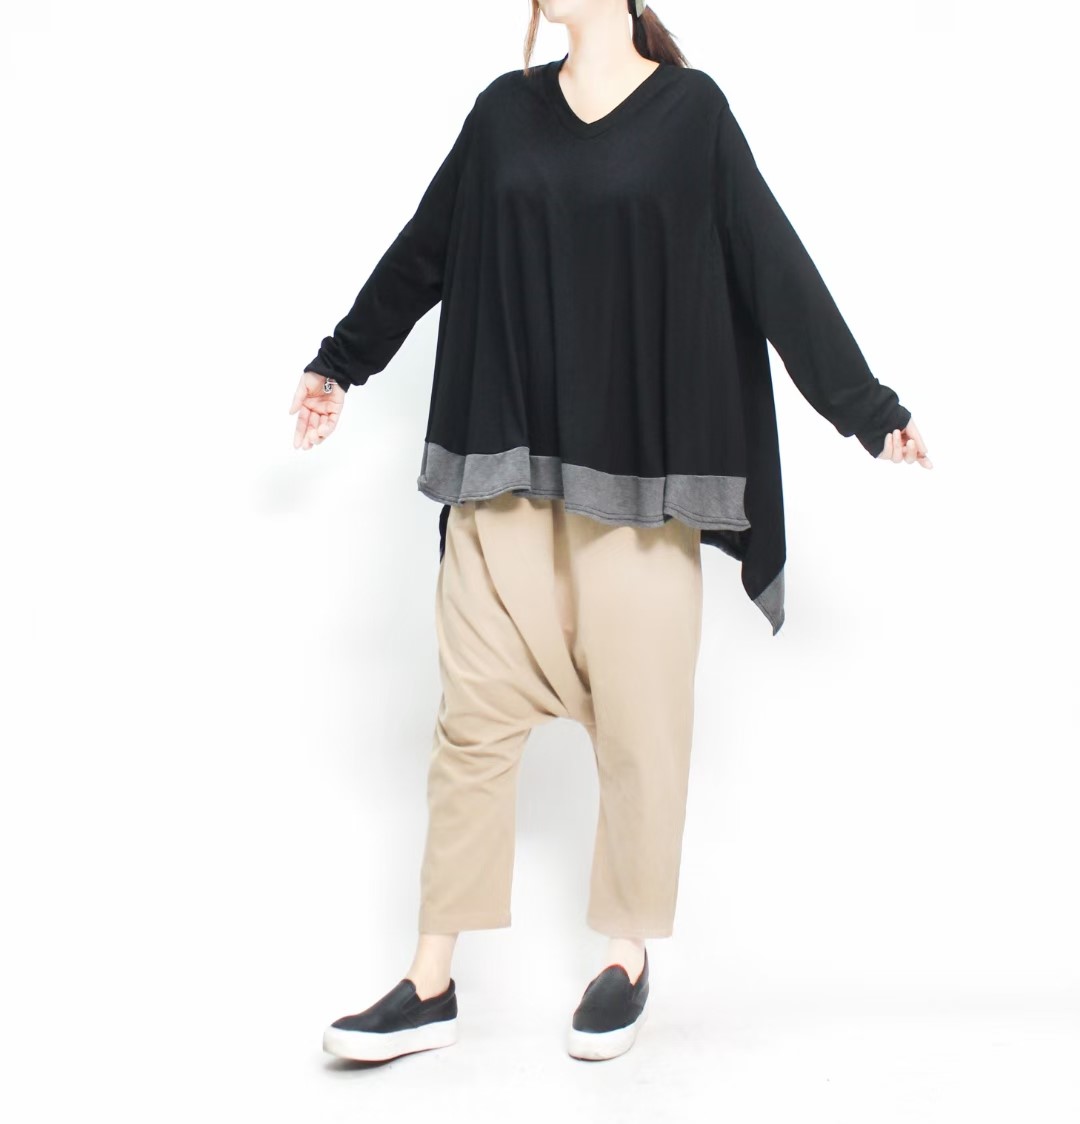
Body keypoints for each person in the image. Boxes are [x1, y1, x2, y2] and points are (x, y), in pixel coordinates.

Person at [292, 0, 932, 1065]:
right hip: (504, 473)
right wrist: (339, 362)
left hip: (638, 488)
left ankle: (625, 955)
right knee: (469, 728)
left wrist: (868, 409)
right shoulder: (502, 114)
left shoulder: (693, 115)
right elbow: (425, 251)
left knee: (641, 731)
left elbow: (774, 266)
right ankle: (430, 980)